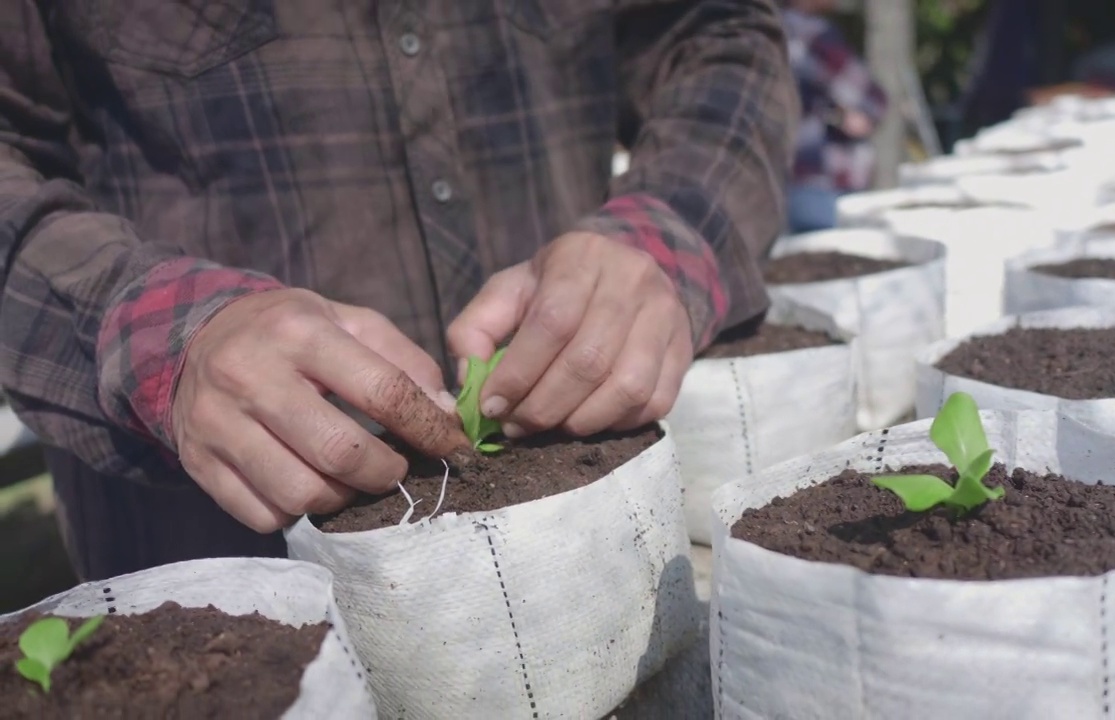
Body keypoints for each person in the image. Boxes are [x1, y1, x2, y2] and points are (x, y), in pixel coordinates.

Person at [0, 1, 797, 580]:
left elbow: (715, 34)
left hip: (585, 548)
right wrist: (164, 336)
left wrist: (664, 238)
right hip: (222, 574)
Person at [780, 0, 887, 233]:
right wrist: (841, 115)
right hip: (823, 184)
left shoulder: (763, 31)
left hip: (786, 182)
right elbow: (872, 100)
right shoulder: (811, 35)